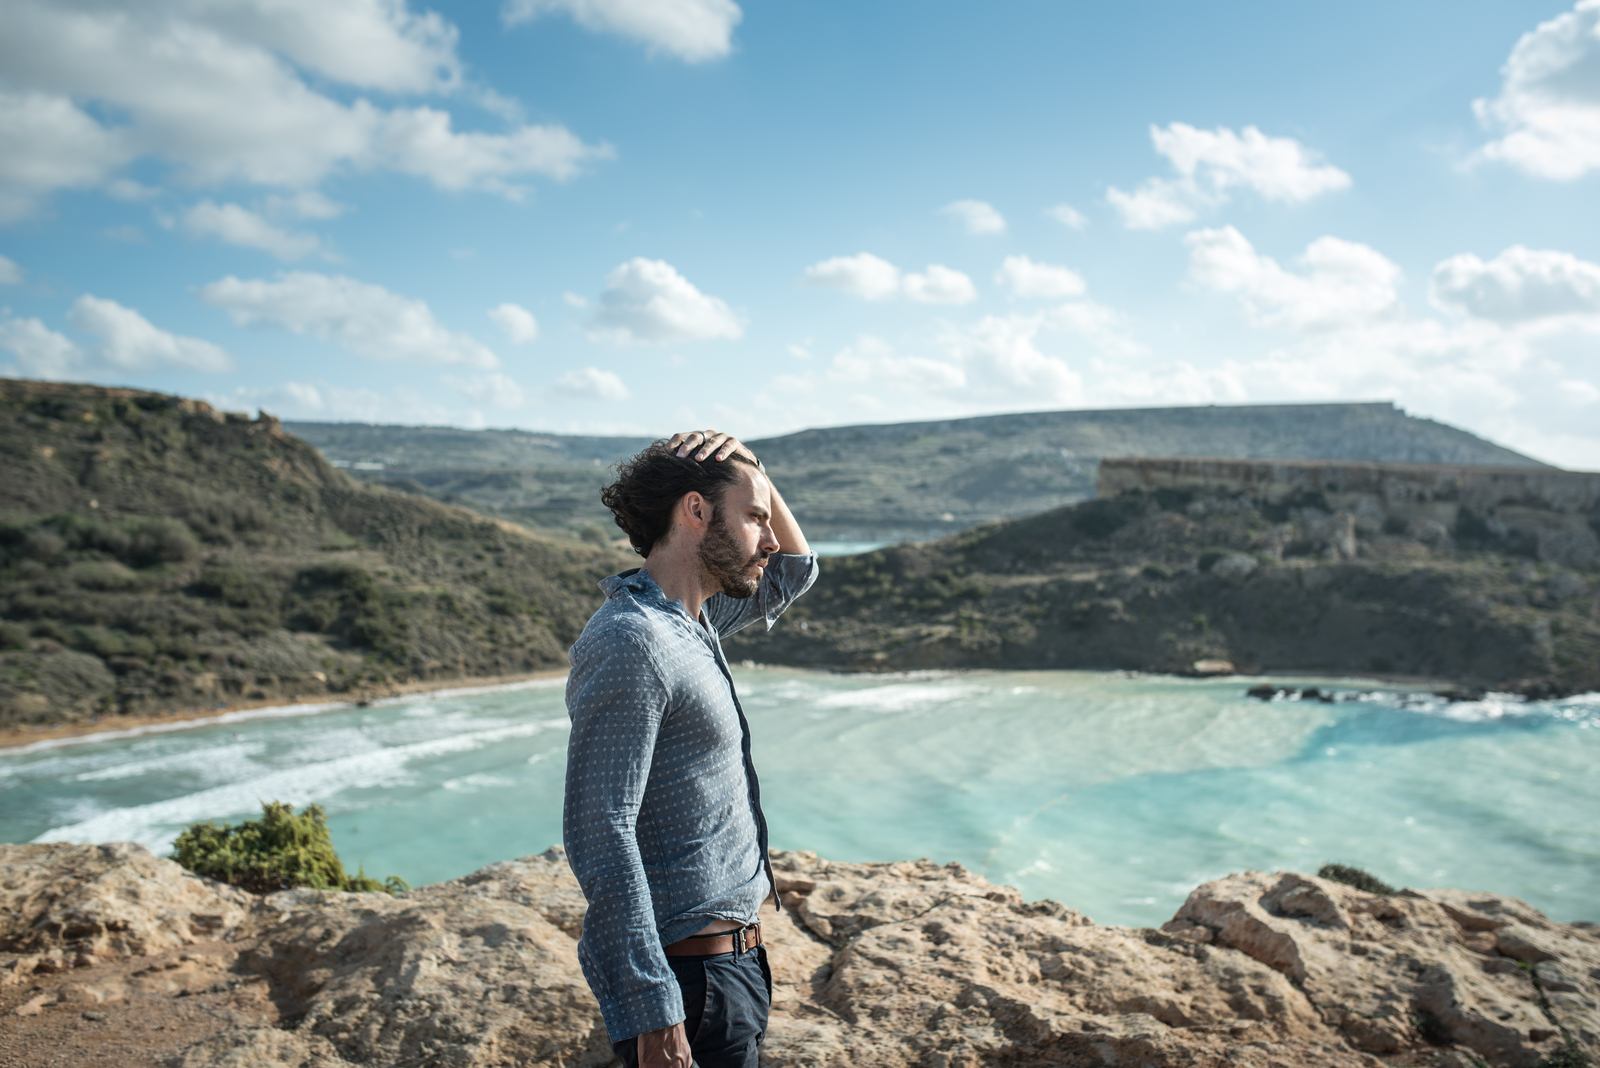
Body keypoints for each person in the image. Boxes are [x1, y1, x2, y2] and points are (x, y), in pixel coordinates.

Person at [563, 428, 819, 1068]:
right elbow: (601, 829)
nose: (768, 536)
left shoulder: (692, 621)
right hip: (689, 981)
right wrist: (655, 1011)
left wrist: (751, 467)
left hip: (732, 968)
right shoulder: (634, 641)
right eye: (755, 517)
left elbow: (794, 569)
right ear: (696, 511)